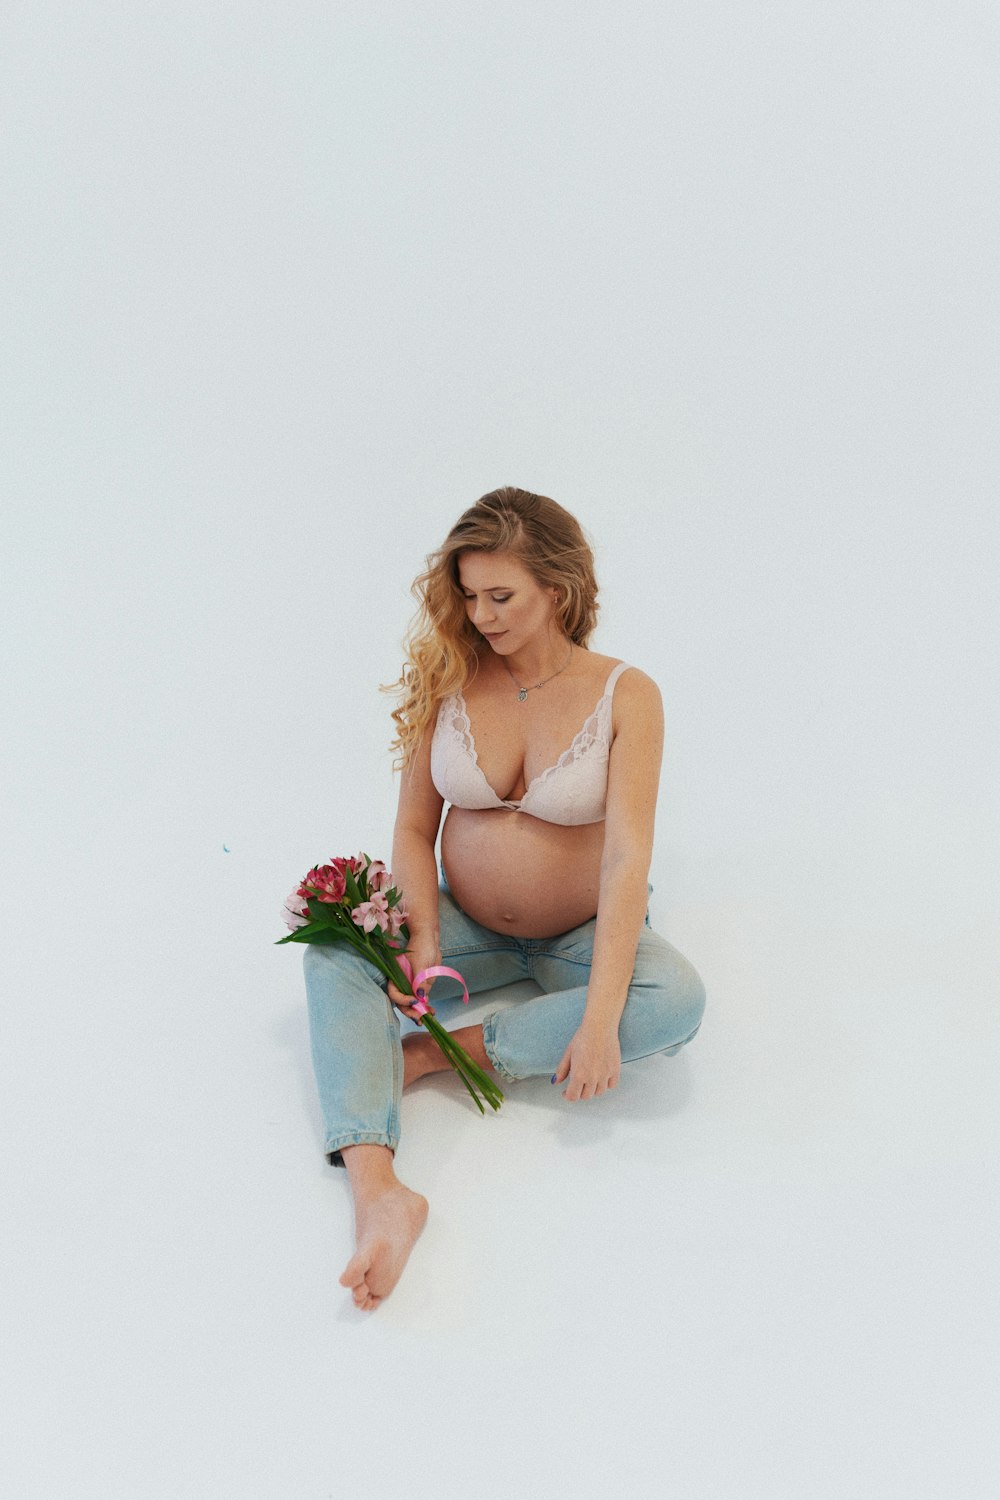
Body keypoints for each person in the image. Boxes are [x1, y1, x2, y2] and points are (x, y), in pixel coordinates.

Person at [303, 485, 707, 1311]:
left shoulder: (627, 693)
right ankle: (380, 1191)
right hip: (465, 925)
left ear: (555, 589)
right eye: (468, 594)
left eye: (502, 596)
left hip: (579, 932)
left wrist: (599, 1024)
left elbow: (628, 857)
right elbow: (414, 830)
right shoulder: (448, 675)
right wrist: (419, 946)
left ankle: (427, 1058)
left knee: (673, 1003)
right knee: (334, 952)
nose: (481, 615)